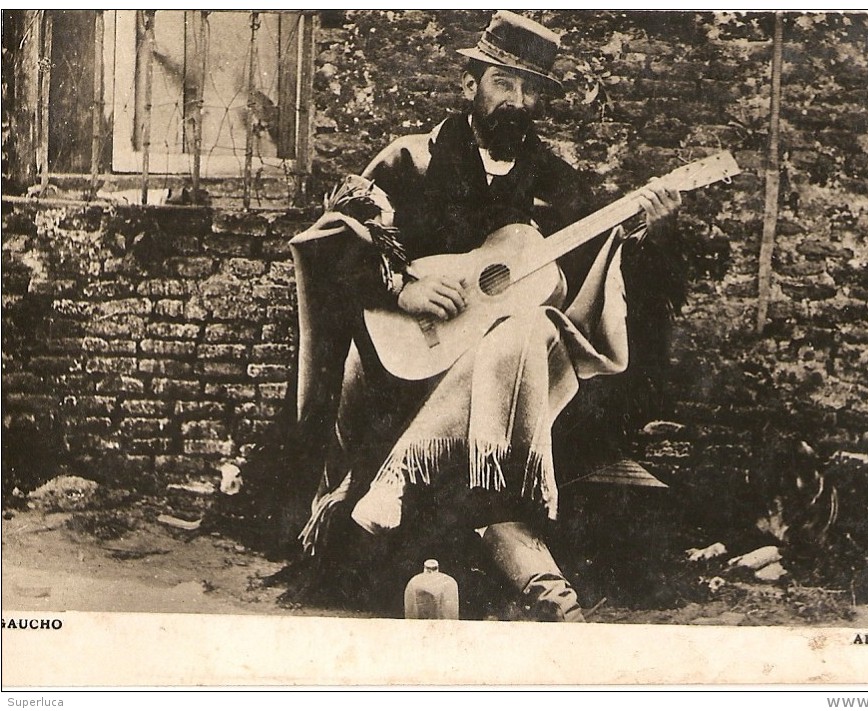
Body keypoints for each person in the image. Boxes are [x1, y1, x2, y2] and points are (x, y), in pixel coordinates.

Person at [287, 11, 681, 621]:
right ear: (470, 84)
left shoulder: (556, 185)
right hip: (405, 365)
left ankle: (399, 480)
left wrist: (649, 234)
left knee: (527, 329)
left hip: (503, 377)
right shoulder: (410, 160)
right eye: (503, 82)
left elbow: (601, 279)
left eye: (529, 90)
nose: (516, 101)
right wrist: (401, 289)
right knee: (520, 341)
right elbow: (332, 240)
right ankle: (519, 551)